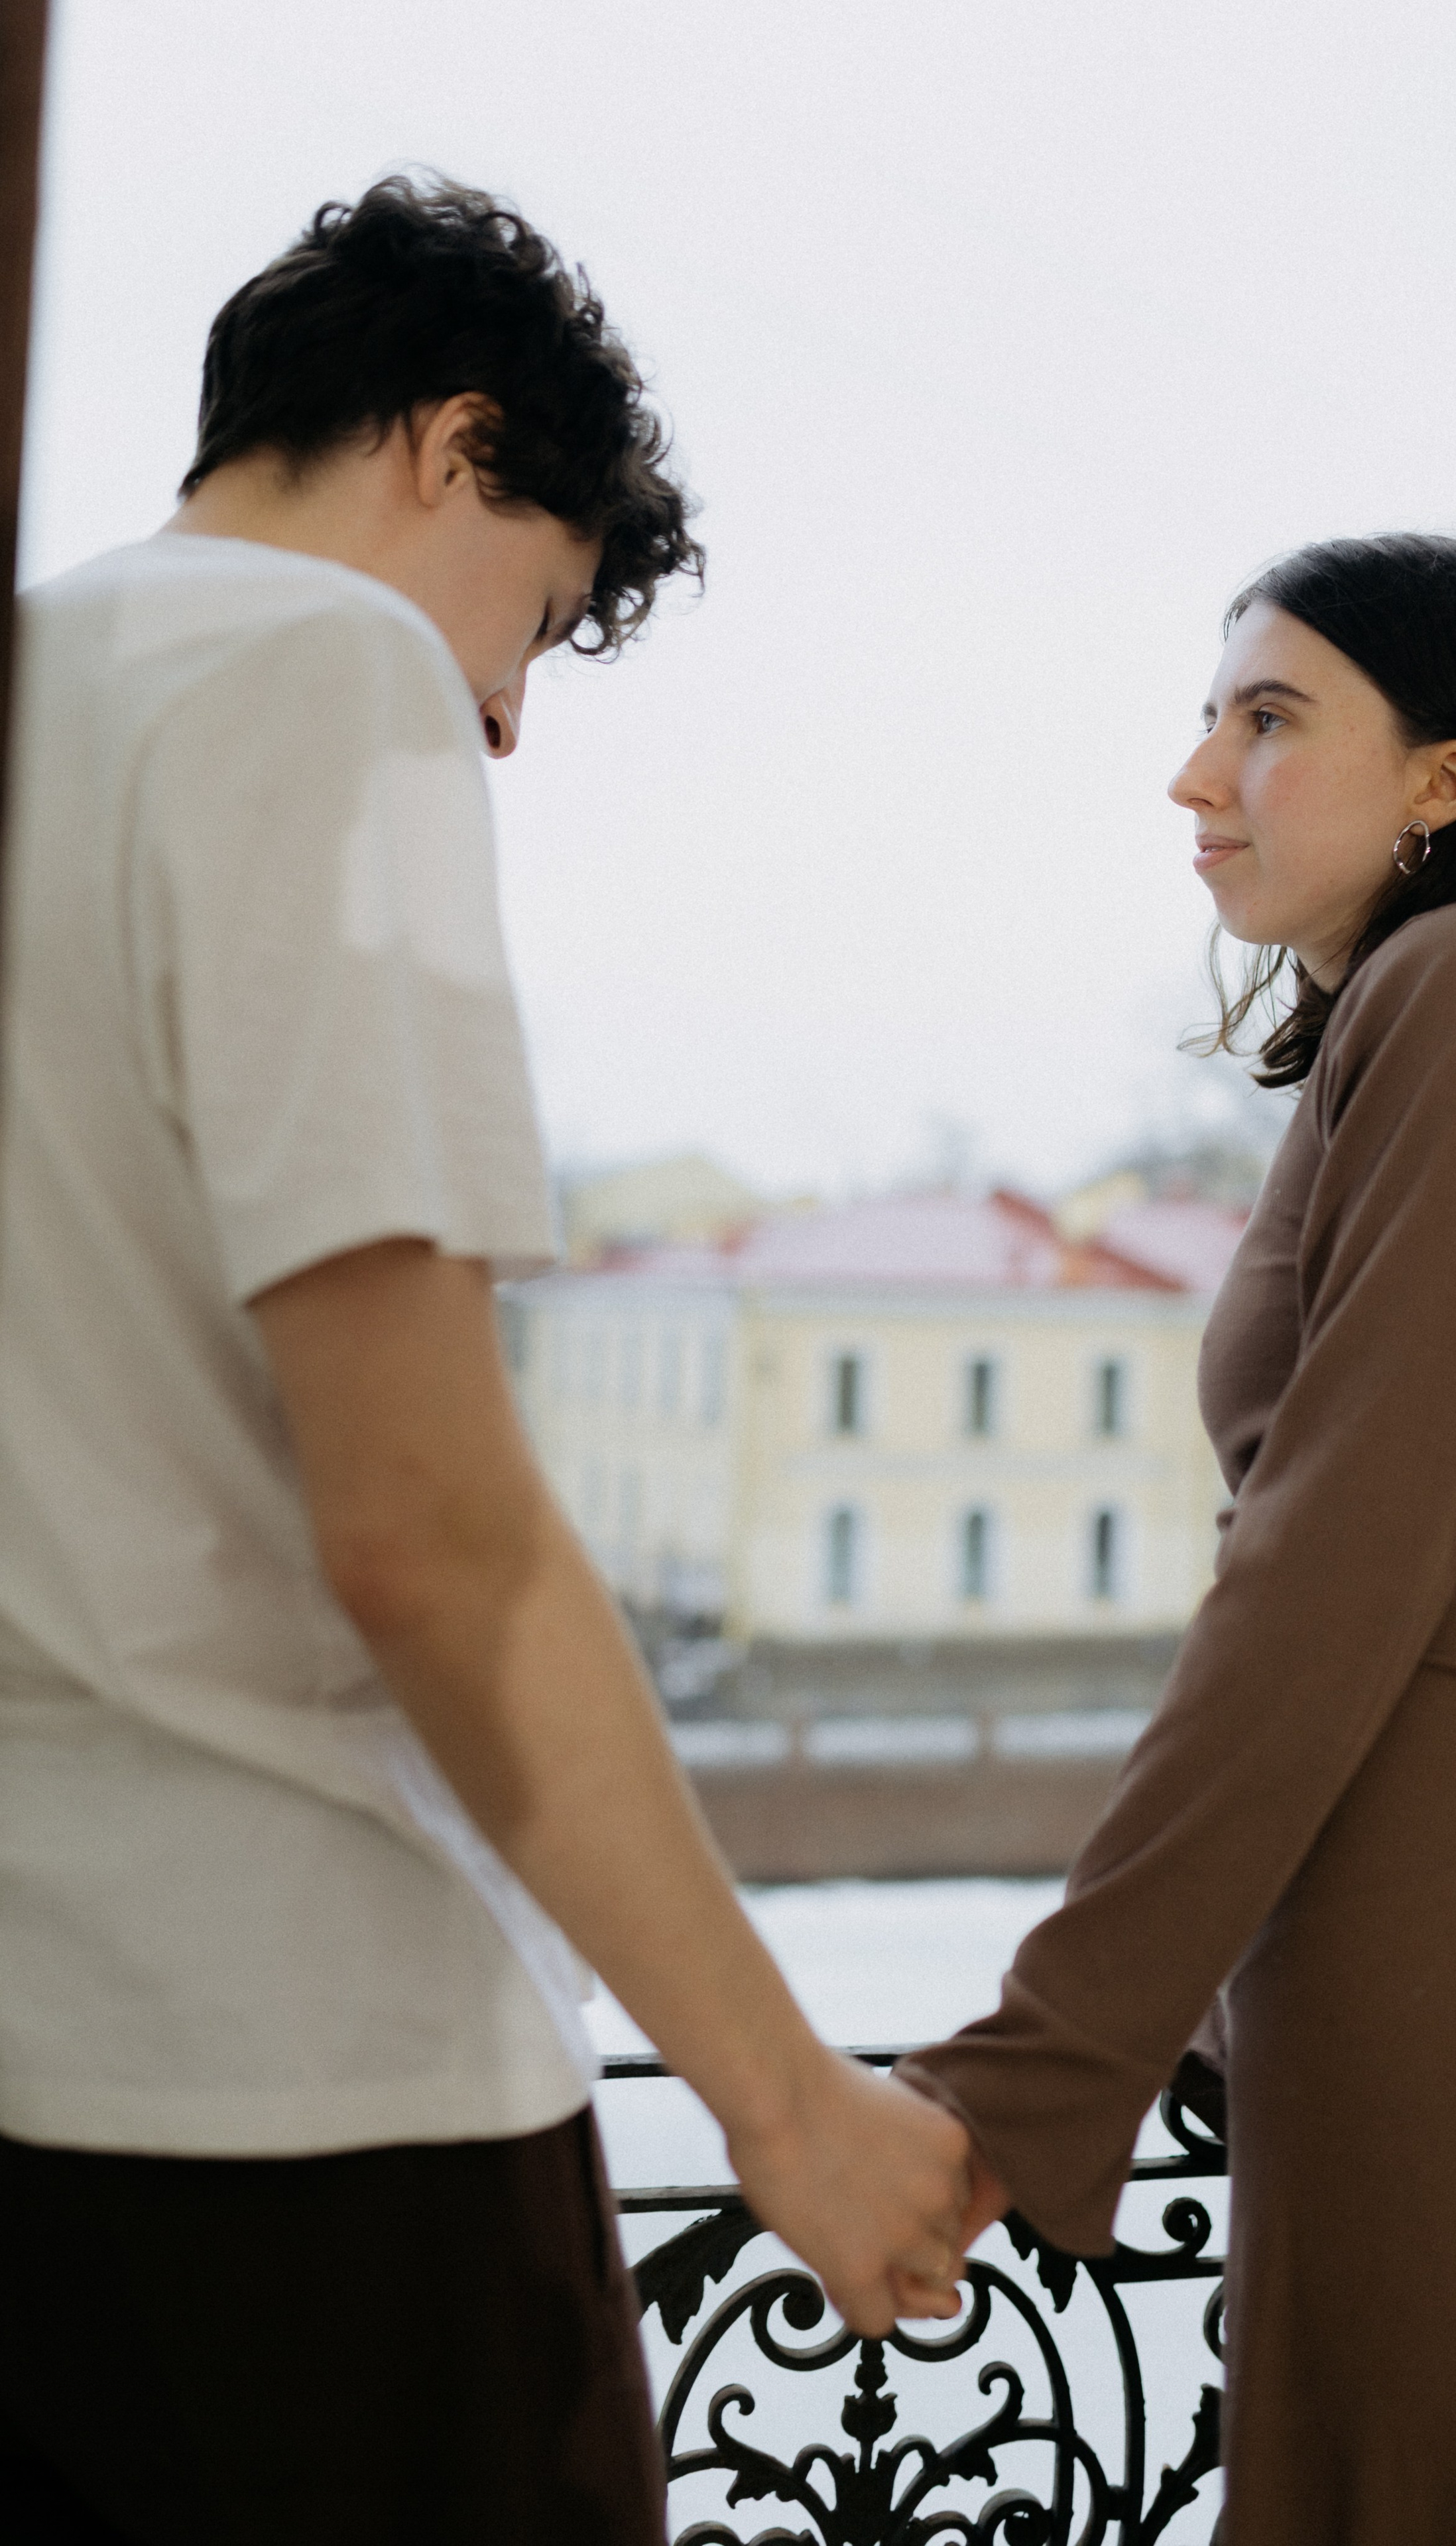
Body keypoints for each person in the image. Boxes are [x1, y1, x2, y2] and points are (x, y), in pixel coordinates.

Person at [0, 176, 968, 2544]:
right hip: (308, 2130)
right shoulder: (316, 675)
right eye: (534, 623)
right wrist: (787, 2104)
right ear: (449, 445)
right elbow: (429, 1533)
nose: (508, 723)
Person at [902, 534, 1456, 2543]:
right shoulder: (1403, 1025)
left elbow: (1329, 1578)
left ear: (1450, 780)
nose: (1199, 776)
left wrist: (1041, 2058)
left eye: (1269, 720)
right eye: (1208, 716)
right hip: (1375, 1992)